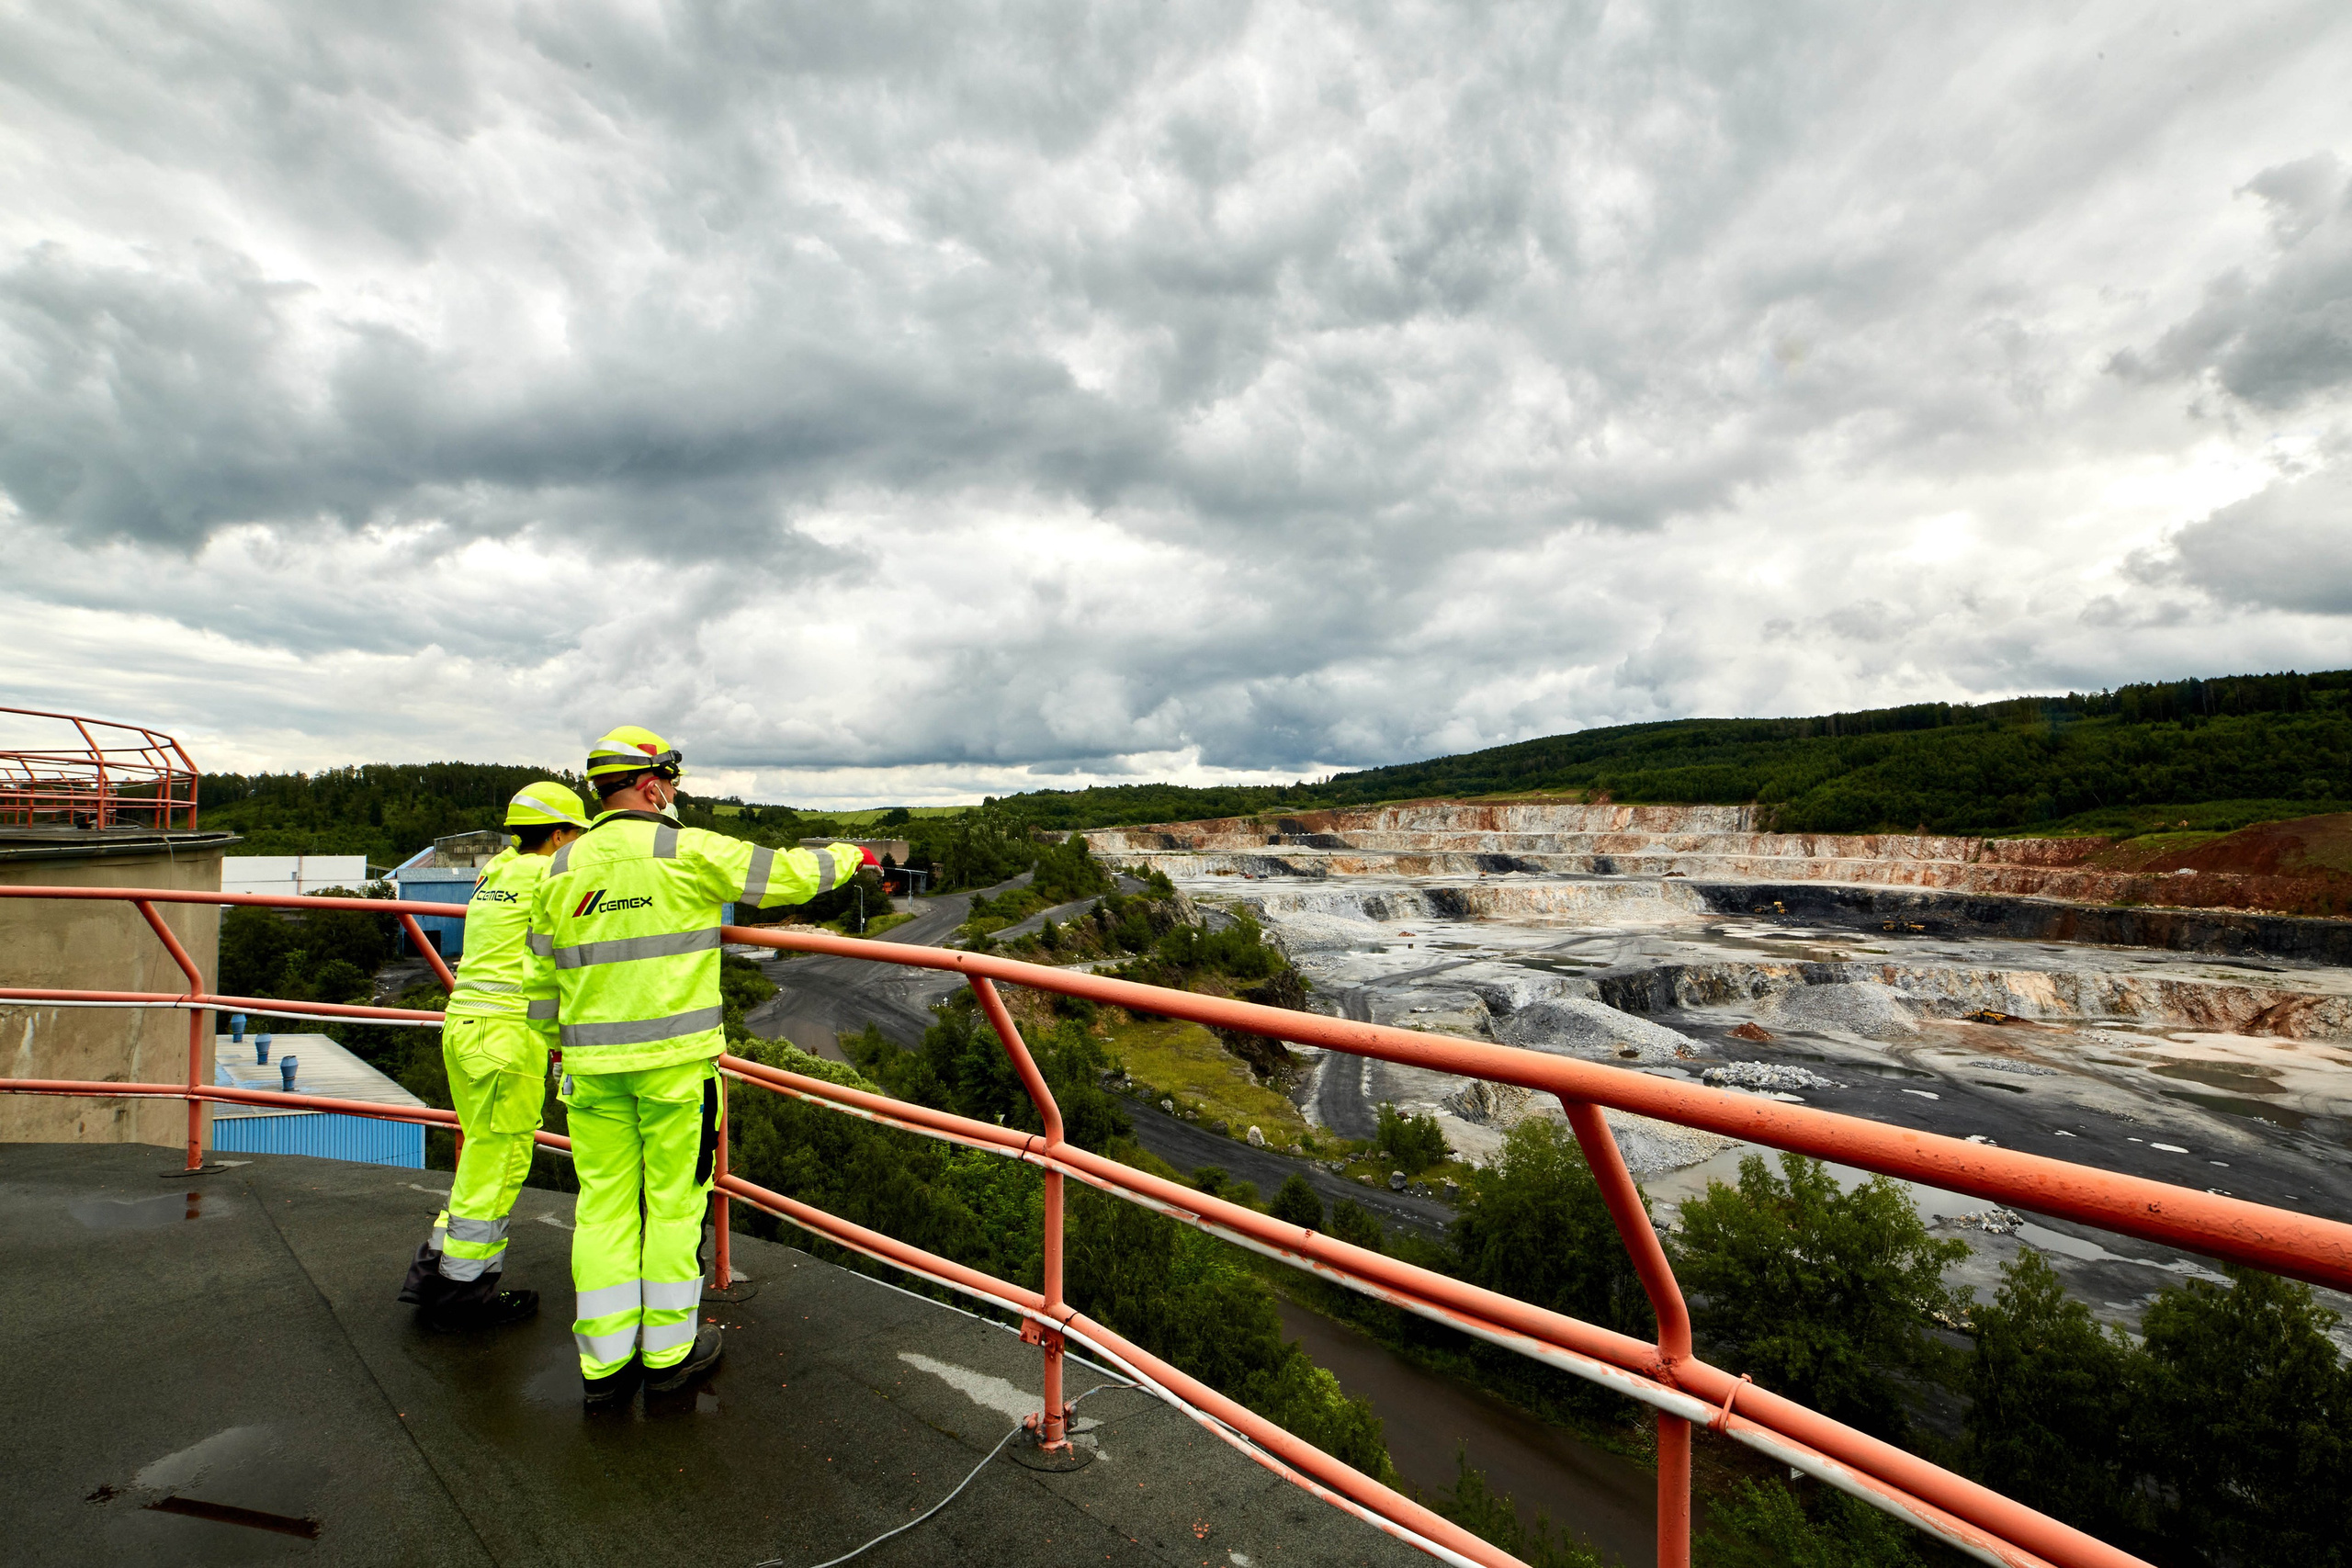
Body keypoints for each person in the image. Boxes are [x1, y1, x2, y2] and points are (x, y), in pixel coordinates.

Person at [530, 726, 875, 1408]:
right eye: (673, 785)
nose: (674, 796)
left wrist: (555, 1045)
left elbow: (541, 979)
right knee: (674, 1206)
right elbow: (785, 876)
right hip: (674, 1072)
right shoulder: (682, 849)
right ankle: (666, 1352)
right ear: (653, 785)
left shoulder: (559, 869)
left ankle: (603, 1365)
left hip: (592, 1071)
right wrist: (850, 854)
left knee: (601, 1212)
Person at [399, 781, 593, 1328]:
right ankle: (461, 1298)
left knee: (481, 1155)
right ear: (558, 834)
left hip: (466, 1026)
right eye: (574, 836)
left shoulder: (499, 871)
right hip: (507, 1036)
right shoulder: (550, 876)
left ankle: (438, 1276)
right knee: (500, 1161)